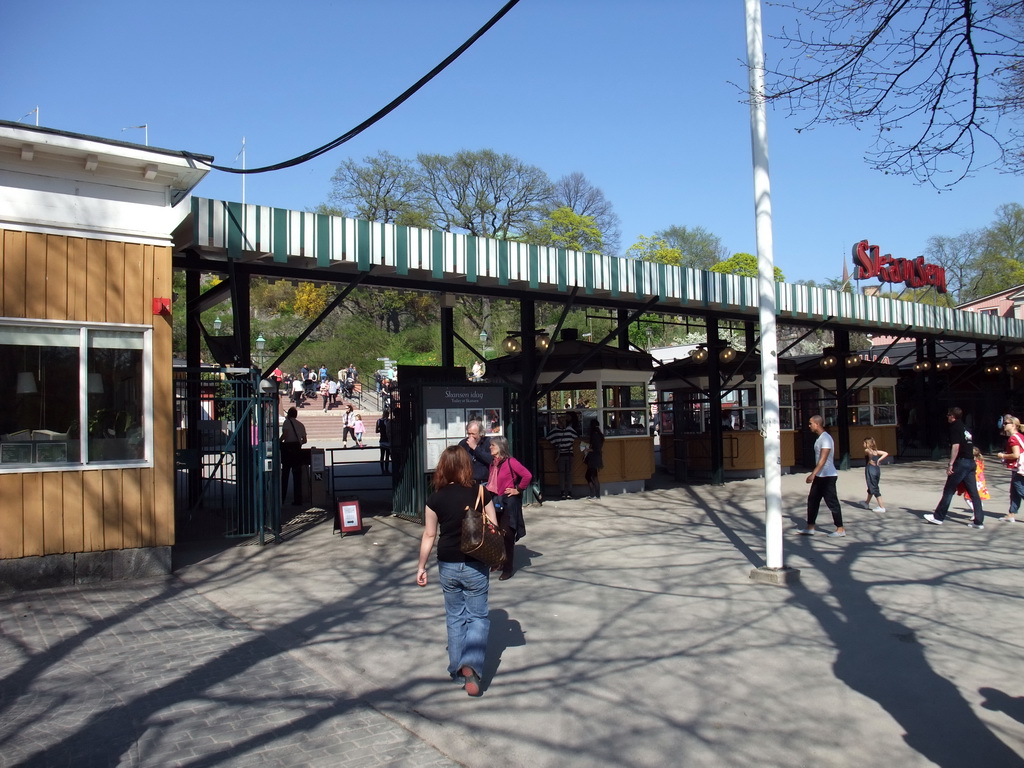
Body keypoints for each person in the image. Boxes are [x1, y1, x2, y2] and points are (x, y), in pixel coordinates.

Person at [416, 446, 499, 697]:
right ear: (467, 467)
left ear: (443, 467)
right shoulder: (481, 493)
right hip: (475, 562)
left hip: (448, 563)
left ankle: (455, 668)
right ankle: (471, 665)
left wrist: (421, 566)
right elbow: (493, 527)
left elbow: (429, 534)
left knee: (454, 616)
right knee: (478, 617)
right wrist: (497, 557)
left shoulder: (435, 498)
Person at [925, 407, 985, 528]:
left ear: (952, 416)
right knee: (974, 493)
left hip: (961, 462)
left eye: (948, 415)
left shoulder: (954, 428)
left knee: (949, 490)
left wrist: (951, 463)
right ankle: (979, 521)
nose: (947, 417)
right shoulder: (965, 427)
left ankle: (938, 517)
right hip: (970, 462)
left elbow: (956, 446)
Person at [486, 436, 532, 581]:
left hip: (507, 503)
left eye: (492, 445)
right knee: (494, 533)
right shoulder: (493, 463)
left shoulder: (511, 462)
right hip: (494, 500)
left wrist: (518, 489)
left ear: (500, 446)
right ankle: (498, 562)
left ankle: (507, 568)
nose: (490, 447)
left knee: (507, 535)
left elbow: (527, 475)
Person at [795, 415, 846, 537]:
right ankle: (810, 527)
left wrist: (813, 474)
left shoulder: (826, 439)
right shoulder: (819, 438)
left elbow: (823, 459)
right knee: (812, 501)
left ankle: (840, 529)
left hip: (828, 476)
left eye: (810, 423)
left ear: (817, 424)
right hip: (820, 476)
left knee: (831, 502)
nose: (809, 425)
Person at [996, 415, 1024, 522]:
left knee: (1020, 490)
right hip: (1019, 467)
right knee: (1014, 491)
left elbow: (1016, 455)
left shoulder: (1013, 438)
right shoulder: (1020, 436)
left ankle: (1012, 513)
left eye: (1006, 423)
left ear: (1013, 425)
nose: (1004, 425)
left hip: (1018, 468)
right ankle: (1011, 514)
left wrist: (1002, 456)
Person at [280, 407, 307, 505]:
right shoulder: (301, 424)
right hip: (297, 449)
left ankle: (282, 498)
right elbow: (305, 440)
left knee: (285, 475)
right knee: (297, 476)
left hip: (288, 450)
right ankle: (297, 499)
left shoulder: (287, 423)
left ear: (289, 414)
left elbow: (285, 435)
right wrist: (299, 442)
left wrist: (278, 442)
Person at [546, 415, 578, 500]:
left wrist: (556, 445)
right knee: (566, 474)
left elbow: (548, 438)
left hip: (562, 454)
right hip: (567, 454)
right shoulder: (569, 430)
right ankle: (566, 491)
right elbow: (576, 437)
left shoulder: (555, 431)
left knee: (565, 474)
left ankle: (565, 492)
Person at [956, 446, 990, 512]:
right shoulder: (980, 462)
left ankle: (976, 510)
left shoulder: (972, 463)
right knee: (975, 497)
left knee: (968, 498)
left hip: (974, 482)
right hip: (980, 482)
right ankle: (978, 508)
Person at [459, 419, 492, 484]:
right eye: (469, 434)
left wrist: (475, 448)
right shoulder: (463, 444)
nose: (471, 436)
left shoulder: (488, 442)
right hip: (468, 481)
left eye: (473, 434)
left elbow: (491, 460)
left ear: (480, 433)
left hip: (484, 481)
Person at [863, 437, 889, 512]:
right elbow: (885, 453)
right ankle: (866, 503)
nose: (863, 444)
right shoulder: (876, 451)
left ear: (867, 444)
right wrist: (878, 459)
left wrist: (870, 459)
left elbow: (869, 453)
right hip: (877, 469)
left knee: (874, 487)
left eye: (864, 443)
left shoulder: (867, 450)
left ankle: (881, 507)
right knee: (872, 486)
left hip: (871, 469)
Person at [583, 419, 605, 499]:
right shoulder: (599, 435)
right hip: (597, 457)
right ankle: (596, 494)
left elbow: (596, 448)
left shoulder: (594, 435)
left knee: (590, 475)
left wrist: (588, 449)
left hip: (593, 458)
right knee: (593, 475)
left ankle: (594, 494)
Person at [376, 409, 392, 474]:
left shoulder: (379, 421)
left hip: (382, 439)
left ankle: (382, 470)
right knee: (387, 456)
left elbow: (376, 431)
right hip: (388, 440)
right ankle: (387, 469)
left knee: (382, 455)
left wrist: (381, 430)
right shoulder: (389, 421)